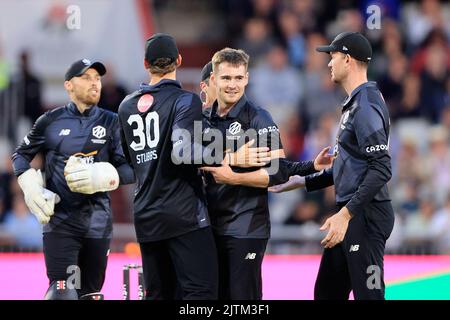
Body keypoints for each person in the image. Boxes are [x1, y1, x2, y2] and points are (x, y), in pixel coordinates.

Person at [210, 32, 393, 300]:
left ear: (347, 59)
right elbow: (351, 169)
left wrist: (346, 214)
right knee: (326, 293)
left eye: (332, 57)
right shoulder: (355, 104)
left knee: (370, 293)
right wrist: (302, 181)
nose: (329, 63)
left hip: (364, 215)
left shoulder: (365, 106)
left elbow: (381, 169)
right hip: (353, 212)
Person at [200, 48, 333, 300]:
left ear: (247, 78)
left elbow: (277, 172)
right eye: (226, 78)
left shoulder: (260, 118)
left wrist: (234, 177)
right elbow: (189, 161)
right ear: (214, 79)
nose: (232, 85)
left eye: (238, 78)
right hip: (208, 227)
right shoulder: (202, 119)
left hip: (246, 227)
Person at [12, 59, 135, 300]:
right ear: (69, 85)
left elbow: (131, 170)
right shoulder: (50, 120)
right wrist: (29, 184)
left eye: (97, 78)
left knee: (90, 294)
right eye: (86, 77)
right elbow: (20, 155)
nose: (94, 83)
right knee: (62, 290)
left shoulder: (113, 122)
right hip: (60, 222)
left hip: (98, 223)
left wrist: (107, 177)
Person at [117, 33, 222, 300]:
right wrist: (227, 155)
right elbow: (183, 151)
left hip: (146, 215)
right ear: (178, 60)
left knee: (157, 294)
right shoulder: (185, 100)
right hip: (184, 214)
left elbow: (129, 163)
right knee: (201, 292)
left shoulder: (126, 106)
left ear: (145, 63)